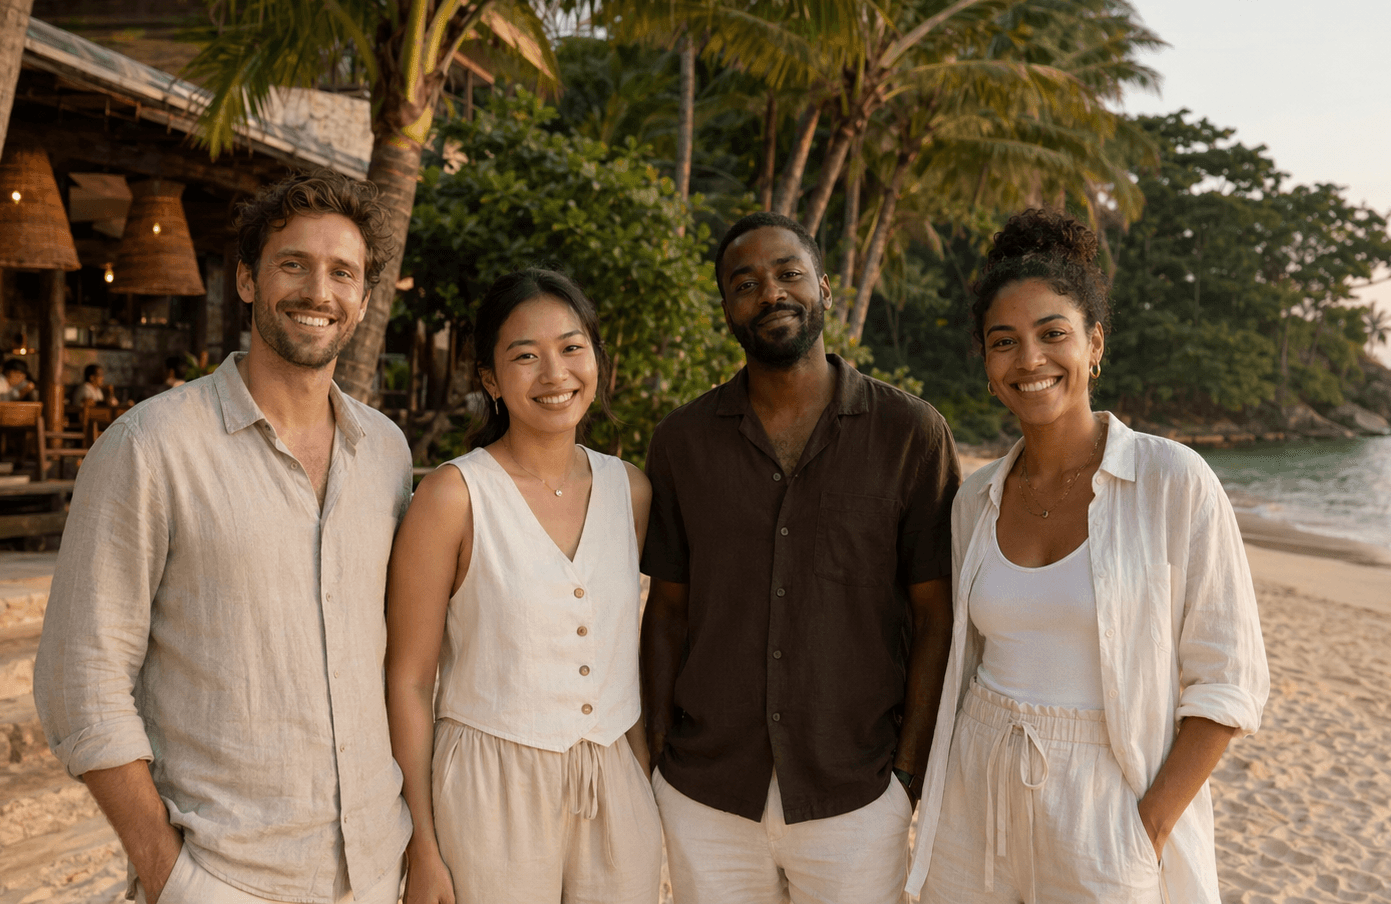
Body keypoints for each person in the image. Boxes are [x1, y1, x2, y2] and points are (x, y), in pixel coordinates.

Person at [34, 170, 412, 904]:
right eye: (292, 264)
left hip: (376, 870)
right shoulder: (150, 445)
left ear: (364, 301)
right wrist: (169, 876)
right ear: (246, 279)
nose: (317, 291)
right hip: (225, 875)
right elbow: (80, 678)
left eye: (343, 273)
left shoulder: (387, 454)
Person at [906, 210, 1270, 904]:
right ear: (985, 364)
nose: (1029, 361)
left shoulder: (1172, 480)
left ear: (1093, 343)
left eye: (1052, 334)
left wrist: (1147, 827)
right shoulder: (974, 499)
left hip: (1109, 795)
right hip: (975, 780)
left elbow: (1228, 680)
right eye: (1003, 342)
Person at [640, 212, 961, 904]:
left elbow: (935, 615)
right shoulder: (681, 442)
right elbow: (666, 611)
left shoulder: (910, 433)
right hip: (706, 793)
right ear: (725, 306)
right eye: (745, 282)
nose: (770, 293)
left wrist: (905, 773)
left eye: (787, 273)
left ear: (822, 284)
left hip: (857, 792)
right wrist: (661, 752)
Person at [385, 267, 661, 904]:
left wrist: (638, 777)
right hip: (489, 792)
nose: (554, 374)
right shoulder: (453, 496)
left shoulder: (632, 491)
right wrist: (420, 843)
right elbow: (407, 678)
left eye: (571, 348)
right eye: (525, 357)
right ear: (490, 380)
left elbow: (626, 650)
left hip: (614, 786)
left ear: (596, 358)